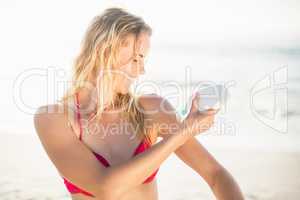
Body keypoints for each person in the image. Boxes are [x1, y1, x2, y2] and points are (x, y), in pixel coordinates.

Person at [34, 7, 244, 200]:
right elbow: (104, 188)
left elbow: (216, 175)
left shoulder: (151, 110)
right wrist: (183, 133)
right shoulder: (54, 119)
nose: (141, 70)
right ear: (104, 51)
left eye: (144, 60)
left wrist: (184, 131)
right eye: (136, 59)